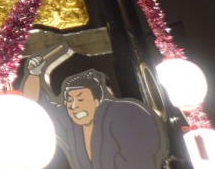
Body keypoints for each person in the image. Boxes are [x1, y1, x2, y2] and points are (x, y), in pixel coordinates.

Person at [22, 49, 167, 169]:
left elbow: (139, 158)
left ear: (97, 100)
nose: (74, 106)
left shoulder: (124, 113)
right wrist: (34, 74)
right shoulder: (72, 122)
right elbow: (36, 104)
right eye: (70, 100)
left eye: (81, 99)